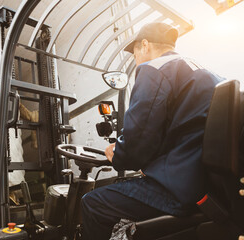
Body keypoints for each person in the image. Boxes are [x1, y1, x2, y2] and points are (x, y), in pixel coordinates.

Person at [81, 22, 224, 240]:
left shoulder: (155, 69)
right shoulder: (207, 73)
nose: (136, 60)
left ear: (145, 45)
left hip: (180, 189)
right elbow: (185, 130)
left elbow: (138, 141)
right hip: (212, 186)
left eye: (135, 53)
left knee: (92, 203)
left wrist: (118, 154)